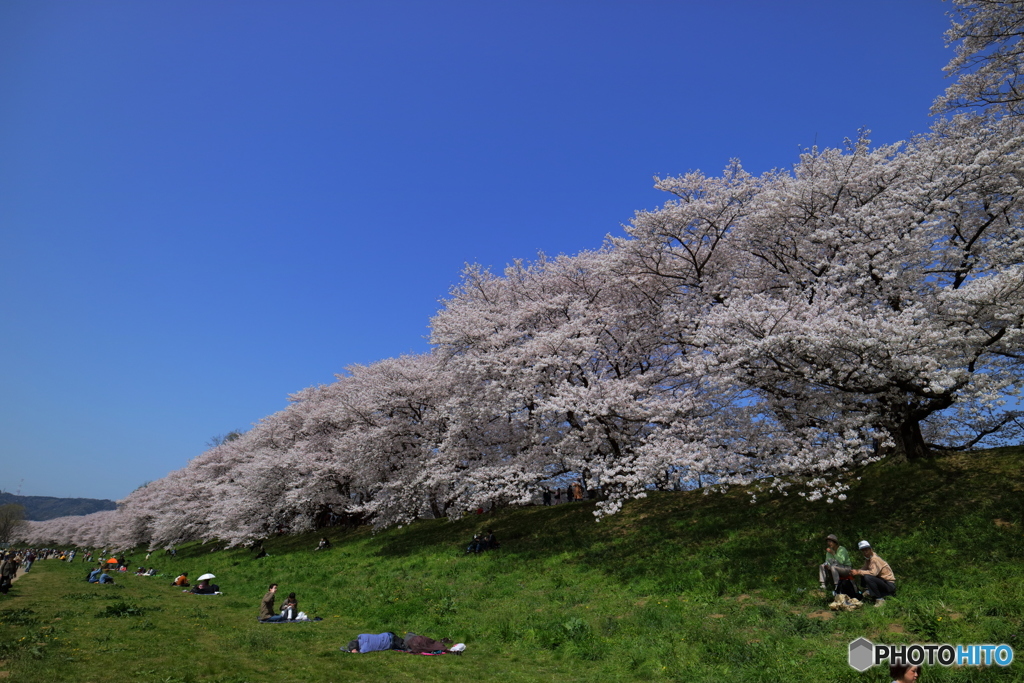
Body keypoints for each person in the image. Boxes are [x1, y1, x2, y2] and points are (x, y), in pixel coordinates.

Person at [850, 540, 896, 605]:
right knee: (863, 573)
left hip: (889, 584)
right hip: (882, 582)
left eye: (866, 550)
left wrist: (858, 572)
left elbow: (873, 573)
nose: (865, 552)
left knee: (867, 576)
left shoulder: (875, 559)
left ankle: (879, 599)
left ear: (870, 549)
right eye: (863, 550)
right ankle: (868, 591)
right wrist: (856, 572)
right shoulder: (868, 559)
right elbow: (864, 568)